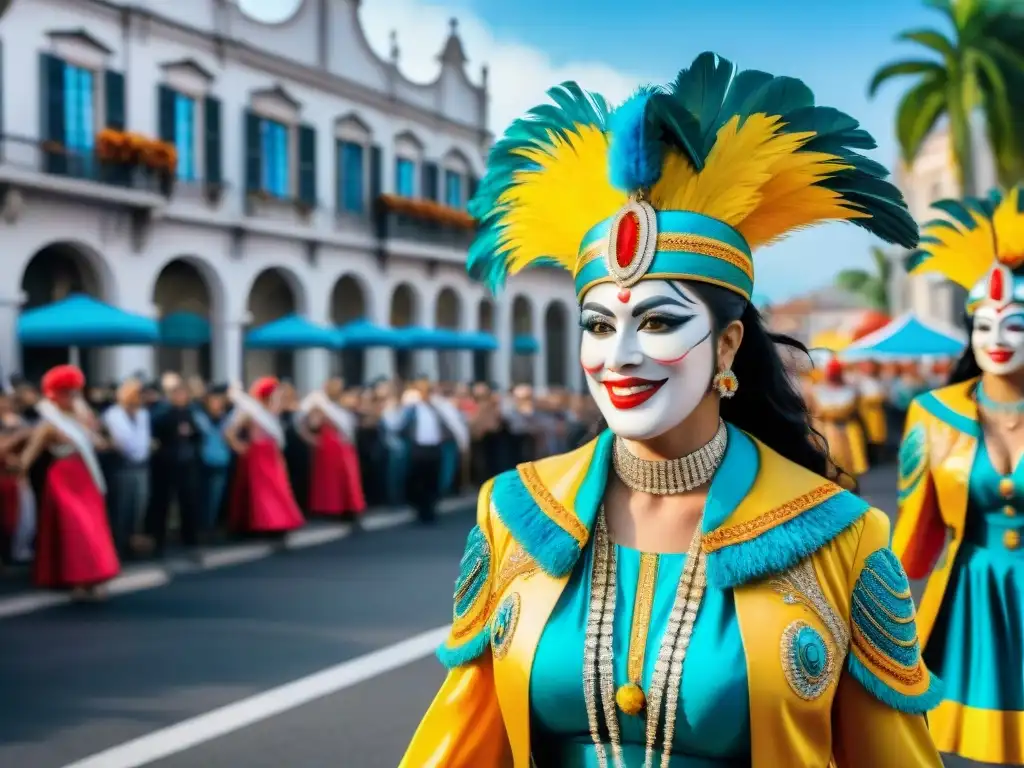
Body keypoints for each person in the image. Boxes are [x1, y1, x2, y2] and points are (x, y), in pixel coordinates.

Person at [401, 52, 941, 767]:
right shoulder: (512, 515)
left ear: (727, 347)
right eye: (598, 325)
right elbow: (459, 745)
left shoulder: (842, 538)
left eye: (656, 323)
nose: (617, 356)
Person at [894, 183, 1024, 766]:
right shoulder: (932, 412)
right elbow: (912, 531)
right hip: (970, 596)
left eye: (1015, 324)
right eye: (985, 323)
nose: (997, 339)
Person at [18, 365, 119, 598]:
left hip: (85, 476)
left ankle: (94, 577)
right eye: (67, 392)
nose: (72, 397)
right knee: (75, 528)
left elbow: (101, 445)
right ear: (55, 394)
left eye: (74, 392)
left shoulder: (80, 419)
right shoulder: (47, 424)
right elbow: (28, 457)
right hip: (63, 478)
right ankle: (78, 579)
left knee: (93, 526)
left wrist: (95, 426)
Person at [224, 377, 305, 535]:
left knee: (278, 489)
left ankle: (278, 522)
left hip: (271, 454)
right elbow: (230, 432)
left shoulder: (271, 412)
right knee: (262, 492)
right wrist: (240, 447)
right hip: (257, 455)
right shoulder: (250, 411)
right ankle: (265, 524)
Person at [383, 378, 468, 524]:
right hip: (418, 449)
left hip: (435, 449)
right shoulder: (411, 409)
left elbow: (452, 424)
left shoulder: (438, 408)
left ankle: (430, 510)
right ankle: (420, 509)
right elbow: (397, 425)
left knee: (433, 480)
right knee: (417, 480)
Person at [147, 380, 202, 555]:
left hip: (187, 463)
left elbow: (198, 436)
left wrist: (191, 436)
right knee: (163, 502)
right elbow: (156, 437)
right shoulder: (163, 414)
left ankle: (189, 537)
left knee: (188, 502)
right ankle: (159, 539)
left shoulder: (191, 414)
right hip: (167, 464)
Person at [298, 380, 366, 521]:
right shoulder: (319, 404)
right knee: (330, 481)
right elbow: (308, 423)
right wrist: (311, 438)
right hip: (328, 447)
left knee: (348, 478)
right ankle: (331, 509)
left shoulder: (339, 405)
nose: (337, 389)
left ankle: (349, 508)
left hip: (343, 446)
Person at [102, 378, 152, 556]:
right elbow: (124, 442)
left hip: (141, 466)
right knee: (122, 508)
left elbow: (142, 443)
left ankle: (133, 543)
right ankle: (119, 546)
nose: (137, 397)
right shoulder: (112, 414)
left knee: (139, 506)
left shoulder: (143, 414)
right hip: (122, 467)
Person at [809, 358, 870, 479]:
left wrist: (829, 412)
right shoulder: (818, 391)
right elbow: (816, 413)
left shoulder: (850, 390)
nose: (833, 378)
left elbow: (849, 410)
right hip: (827, 432)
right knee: (831, 463)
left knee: (849, 465)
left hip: (848, 432)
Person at [192, 384, 232, 538]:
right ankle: (202, 528)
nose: (217, 404)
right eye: (214, 401)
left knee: (215, 498)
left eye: (219, 401)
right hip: (204, 462)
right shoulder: (200, 417)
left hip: (221, 462)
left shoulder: (225, 418)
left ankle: (210, 527)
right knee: (202, 497)